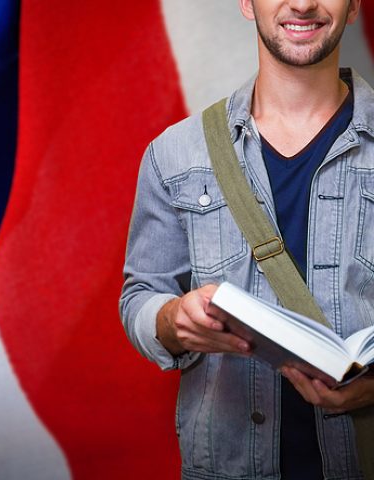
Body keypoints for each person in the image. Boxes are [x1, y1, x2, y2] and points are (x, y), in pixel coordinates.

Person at [119, 0, 374, 478]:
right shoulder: (174, 154)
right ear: (246, 2)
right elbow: (140, 296)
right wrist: (173, 319)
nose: (302, 3)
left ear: (355, 5)